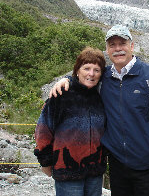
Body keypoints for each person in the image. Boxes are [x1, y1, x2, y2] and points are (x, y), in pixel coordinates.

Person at [49, 25, 149, 196]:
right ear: (107, 49)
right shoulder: (104, 77)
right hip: (117, 166)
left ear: (131, 46)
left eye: (122, 43)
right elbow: (85, 78)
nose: (117, 49)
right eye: (112, 45)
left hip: (147, 165)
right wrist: (66, 80)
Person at [34, 47, 107, 196]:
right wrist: (45, 161)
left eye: (97, 70)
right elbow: (43, 130)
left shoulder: (101, 96)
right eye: (86, 68)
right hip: (67, 171)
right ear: (77, 70)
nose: (91, 74)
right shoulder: (61, 94)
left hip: (95, 171)